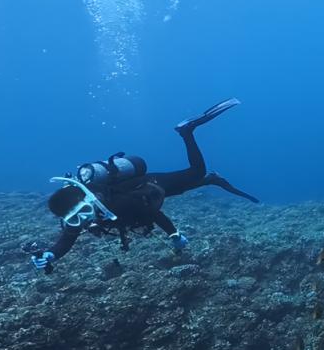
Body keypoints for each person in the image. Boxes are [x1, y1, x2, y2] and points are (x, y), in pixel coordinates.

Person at [31, 98, 257, 270]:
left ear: (90, 200)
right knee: (179, 188)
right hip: (144, 197)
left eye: (84, 212)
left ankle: (187, 132)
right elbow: (66, 240)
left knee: (195, 173)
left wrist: (175, 236)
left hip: (148, 184)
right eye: (75, 219)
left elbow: (152, 213)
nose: (83, 220)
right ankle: (210, 180)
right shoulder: (77, 218)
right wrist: (51, 255)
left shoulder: (118, 203)